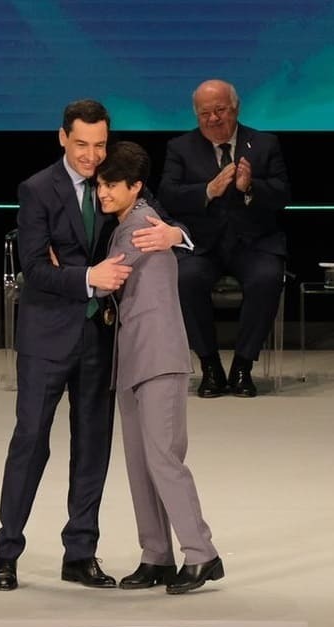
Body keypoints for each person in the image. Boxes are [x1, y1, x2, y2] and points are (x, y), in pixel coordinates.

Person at [0, 99, 189, 592]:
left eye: (99, 145)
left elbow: (159, 223)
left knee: (92, 447)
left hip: (99, 338)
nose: (91, 155)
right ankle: (7, 552)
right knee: (31, 441)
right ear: (63, 138)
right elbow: (34, 269)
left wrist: (177, 235)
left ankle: (80, 552)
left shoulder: (115, 182)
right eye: (81, 144)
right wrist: (87, 277)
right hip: (46, 338)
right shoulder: (37, 189)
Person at [94, 141, 224, 595]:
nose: (102, 192)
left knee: (164, 461)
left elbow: (105, 279)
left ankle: (202, 553)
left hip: (158, 358)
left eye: (111, 185)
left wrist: (61, 274)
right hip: (132, 359)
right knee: (139, 465)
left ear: (136, 187)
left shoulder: (142, 225)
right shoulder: (127, 223)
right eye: (99, 184)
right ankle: (156, 555)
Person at [159, 79, 291, 399]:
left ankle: (243, 366)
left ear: (236, 109)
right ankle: (210, 366)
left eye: (220, 110)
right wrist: (207, 190)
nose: (213, 118)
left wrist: (250, 187)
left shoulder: (264, 144)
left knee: (267, 278)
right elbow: (167, 196)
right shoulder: (180, 148)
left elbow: (282, 195)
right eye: (205, 113)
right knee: (185, 278)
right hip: (203, 246)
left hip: (254, 242)